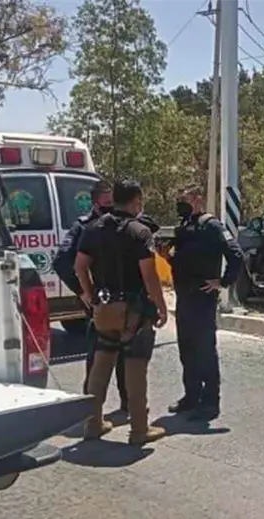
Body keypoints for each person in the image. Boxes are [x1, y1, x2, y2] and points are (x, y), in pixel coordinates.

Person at [74, 180, 169, 444]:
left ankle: (93, 424)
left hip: (103, 310)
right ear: (136, 201)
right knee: (136, 369)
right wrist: (161, 307)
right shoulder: (140, 232)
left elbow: (80, 266)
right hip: (133, 312)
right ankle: (139, 430)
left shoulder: (93, 228)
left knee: (101, 366)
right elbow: (149, 276)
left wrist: (91, 295)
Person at [167, 183, 244, 421]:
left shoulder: (212, 226)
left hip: (202, 297)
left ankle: (210, 402)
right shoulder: (184, 227)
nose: (182, 203)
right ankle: (191, 396)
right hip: (184, 297)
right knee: (186, 348)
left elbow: (236, 255)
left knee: (204, 350)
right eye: (180, 198)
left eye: (186, 198)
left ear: (199, 200)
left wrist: (223, 282)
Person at [52, 181, 130, 412]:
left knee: (127, 355)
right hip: (99, 300)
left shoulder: (124, 224)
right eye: (106, 204)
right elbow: (62, 261)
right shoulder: (84, 227)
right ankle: (91, 410)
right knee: (98, 355)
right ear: (95, 203)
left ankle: (129, 403)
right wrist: (83, 291)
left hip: (124, 298)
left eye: (113, 203)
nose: (110, 208)